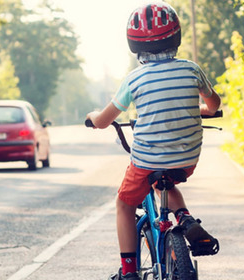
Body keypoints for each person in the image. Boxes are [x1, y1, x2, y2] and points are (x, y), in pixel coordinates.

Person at [86, 2, 221, 280]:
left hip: (147, 162)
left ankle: (129, 272)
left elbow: (102, 121)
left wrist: (92, 116)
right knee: (167, 181)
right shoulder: (191, 69)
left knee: (124, 204)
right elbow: (214, 102)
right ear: (176, 36)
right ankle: (184, 218)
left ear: (134, 44)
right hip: (186, 160)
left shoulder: (134, 80)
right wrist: (204, 110)